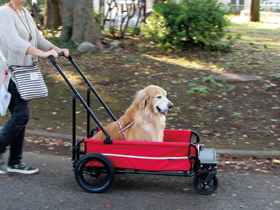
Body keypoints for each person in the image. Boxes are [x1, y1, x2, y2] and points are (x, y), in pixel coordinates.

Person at [0, 0, 69, 175]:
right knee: (22, 115)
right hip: (10, 74)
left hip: (23, 74)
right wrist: (43, 54)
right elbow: (13, 42)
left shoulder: (25, 12)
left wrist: (56, 48)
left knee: (20, 117)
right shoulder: (4, 13)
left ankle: (15, 162)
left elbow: (37, 38)